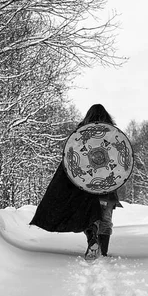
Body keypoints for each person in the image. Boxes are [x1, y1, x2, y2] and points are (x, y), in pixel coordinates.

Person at [29, 104, 122, 260]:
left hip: (84, 185)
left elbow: (71, 158)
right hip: (106, 184)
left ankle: (93, 240)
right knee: (105, 217)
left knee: (89, 214)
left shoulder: (79, 135)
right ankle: (103, 251)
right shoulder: (112, 135)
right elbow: (119, 162)